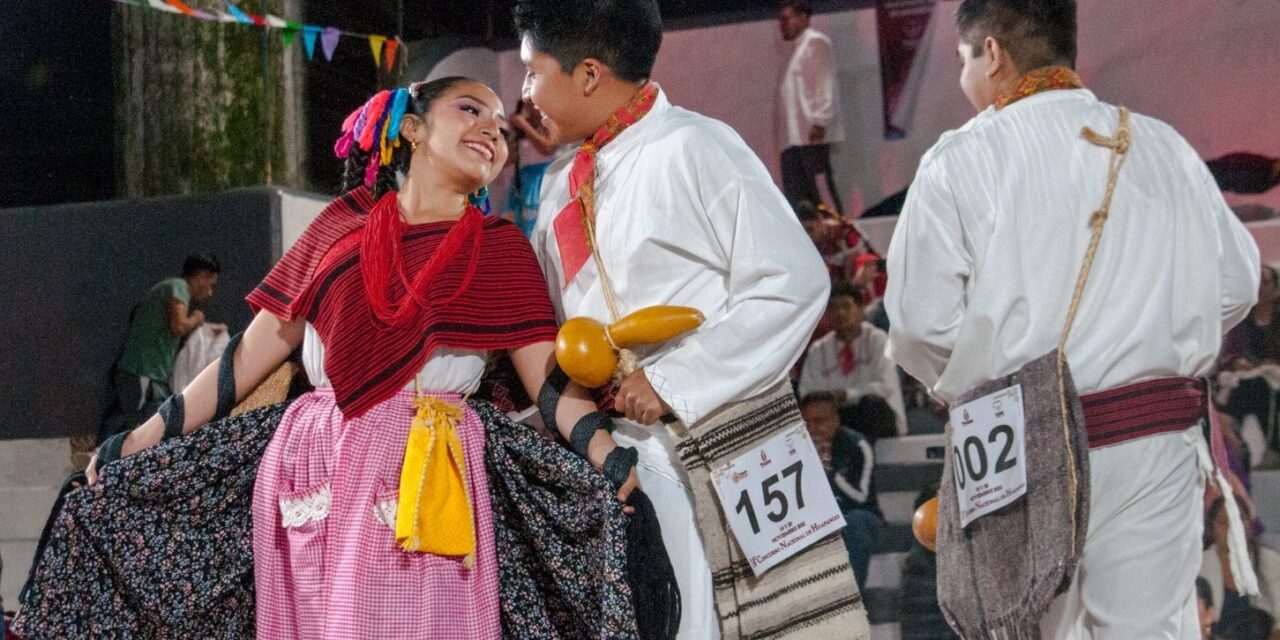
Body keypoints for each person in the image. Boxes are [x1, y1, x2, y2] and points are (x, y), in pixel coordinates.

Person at [17, 77, 648, 640]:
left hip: (433, 474)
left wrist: (605, 453)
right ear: (413, 127)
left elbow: (548, 385)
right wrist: (143, 437)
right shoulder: (338, 228)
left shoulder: (501, 250)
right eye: (469, 109)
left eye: (502, 128)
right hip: (315, 465)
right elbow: (246, 358)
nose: (493, 130)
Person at [884, 0, 1261, 637]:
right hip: (1155, 441)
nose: (961, 79)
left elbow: (921, 326)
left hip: (1021, 445)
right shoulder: (1163, 145)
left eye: (960, 61)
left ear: (993, 53)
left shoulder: (962, 160)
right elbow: (1237, 282)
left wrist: (981, 380)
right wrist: (1153, 338)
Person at [516, 0, 868, 637]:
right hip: (617, 457)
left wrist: (672, 381)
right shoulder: (561, 183)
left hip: (724, 439)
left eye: (533, 72)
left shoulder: (696, 145)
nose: (525, 94)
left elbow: (794, 281)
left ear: (589, 74)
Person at [104, 253, 224, 436]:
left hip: (147, 373)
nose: (209, 293)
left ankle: (100, 454)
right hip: (144, 371)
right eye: (211, 285)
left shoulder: (167, 289)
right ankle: (101, 455)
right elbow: (179, 326)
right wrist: (197, 319)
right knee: (153, 421)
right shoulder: (179, 287)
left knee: (140, 419)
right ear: (202, 276)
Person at [799, 281, 906, 438]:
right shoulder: (818, 349)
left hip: (874, 416)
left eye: (846, 306)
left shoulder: (878, 340)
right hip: (837, 418)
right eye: (834, 308)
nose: (840, 313)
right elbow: (807, 392)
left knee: (871, 404)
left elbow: (885, 386)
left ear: (860, 310)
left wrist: (848, 395)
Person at [799, 391, 883, 590]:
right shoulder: (796, 448)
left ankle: (853, 596)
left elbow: (861, 496)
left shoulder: (857, 445)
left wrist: (829, 468)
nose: (812, 429)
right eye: (806, 423)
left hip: (857, 513)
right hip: (817, 518)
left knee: (855, 523)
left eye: (818, 421)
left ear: (835, 420)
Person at [777, 0, 845, 212]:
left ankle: (841, 240)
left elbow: (824, 83)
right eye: (781, 20)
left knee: (821, 195)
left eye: (787, 19)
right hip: (793, 142)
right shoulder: (794, 50)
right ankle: (812, 242)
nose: (782, 24)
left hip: (810, 138)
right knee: (799, 199)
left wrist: (820, 122)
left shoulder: (816, 43)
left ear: (803, 18)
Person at [1201, 495, 1280, 640]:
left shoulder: (1271, 561)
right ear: (1212, 529)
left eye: (1238, 520)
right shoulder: (1200, 565)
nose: (1232, 529)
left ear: (1249, 524)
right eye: (1224, 523)